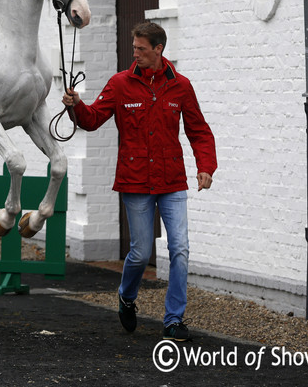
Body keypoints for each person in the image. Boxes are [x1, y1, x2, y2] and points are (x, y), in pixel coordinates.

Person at [62, 21, 217, 341]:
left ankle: (173, 319)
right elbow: (91, 120)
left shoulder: (181, 86)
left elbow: (199, 131)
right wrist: (75, 105)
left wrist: (206, 167)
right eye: (134, 48)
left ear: (158, 50)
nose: (135, 53)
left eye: (141, 49)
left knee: (180, 249)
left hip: (172, 181)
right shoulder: (119, 84)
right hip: (134, 182)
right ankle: (127, 297)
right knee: (140, 251)